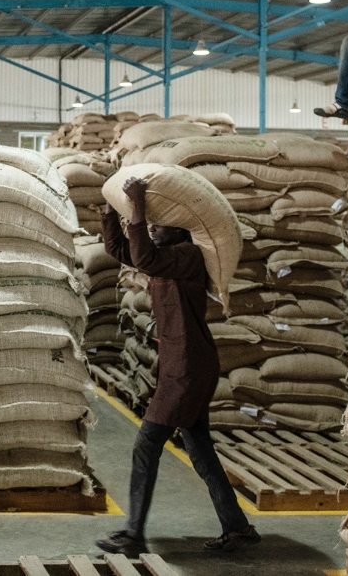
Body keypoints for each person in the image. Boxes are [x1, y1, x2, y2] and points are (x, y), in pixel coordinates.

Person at [95, 177, 259, 556]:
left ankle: (133, 533)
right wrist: (110, 214)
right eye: (152, 221)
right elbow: (126, 252)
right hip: (185, 363)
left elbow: (145, 257)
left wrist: (136, 205)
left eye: (161, 221)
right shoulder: (169, 256)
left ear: (180, 227)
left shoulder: (187, 255)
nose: (153, 225)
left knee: (147, 443)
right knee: (199, 446)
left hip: (187, 368)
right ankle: (237, 527)